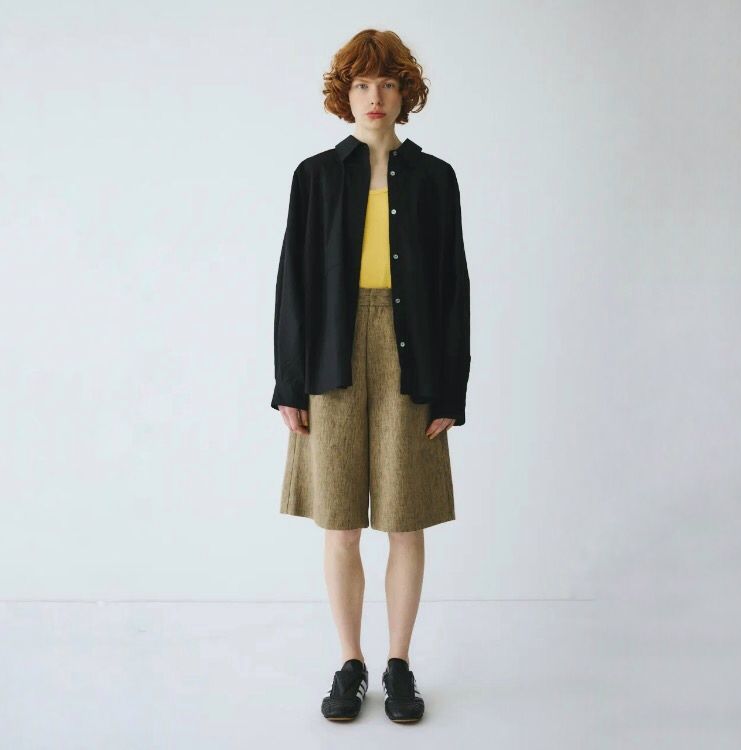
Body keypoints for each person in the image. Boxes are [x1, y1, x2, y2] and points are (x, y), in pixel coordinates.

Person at [271, 29, 471, 723]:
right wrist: (289, 384)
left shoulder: (435, 178)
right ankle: (350, 662)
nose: (374, 97)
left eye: (386, 83)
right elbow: (293, 283)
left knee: (405, 519)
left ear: (405, 92)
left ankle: (400, 664)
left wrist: (451, 390)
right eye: (361, 84)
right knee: (341, 523)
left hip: (413, 356)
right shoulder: (315, 176)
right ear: (344, 94)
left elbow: (453, 287)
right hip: (330, 354)